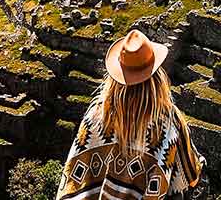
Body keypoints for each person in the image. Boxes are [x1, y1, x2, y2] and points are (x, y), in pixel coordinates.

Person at [56, 28, 204, 198]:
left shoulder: (96, 116)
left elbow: (72, 181)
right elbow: (191, 176)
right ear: (156, 77)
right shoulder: (170, 121)